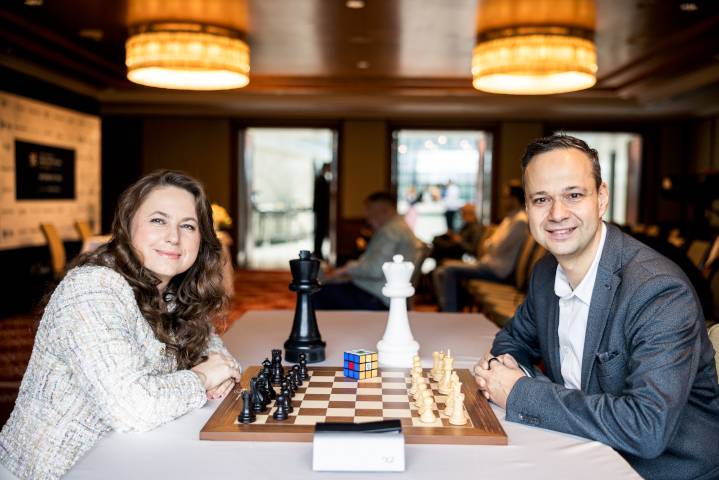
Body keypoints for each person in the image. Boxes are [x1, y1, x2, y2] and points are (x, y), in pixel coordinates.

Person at [473, 135, 719, 480]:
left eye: (574, 195)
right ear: (527, 208)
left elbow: (646, 429)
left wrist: (522, 393)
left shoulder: (659, 291)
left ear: (601, 198)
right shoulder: (546, 272)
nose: (557, 214)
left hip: (659, 470)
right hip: (584, 448)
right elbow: (511, 341)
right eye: (541, 199)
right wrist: (511, 376)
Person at [0, 171, 242, 480]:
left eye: (188, 225)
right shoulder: (91, 289)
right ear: (128, 226)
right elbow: (134, 408)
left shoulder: (173, 293)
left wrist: (213, 373)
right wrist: (202, 378)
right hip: (50, 472)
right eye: (158, 220)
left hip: (127, 460)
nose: (174, 236)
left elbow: (222, 362)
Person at [313, 191, 422, 310]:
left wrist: (346, 269)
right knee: (331, 286)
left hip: (378, 298)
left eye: (371, 214)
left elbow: (375, 270)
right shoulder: (399, 228)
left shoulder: (390, 231)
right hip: (383, 294)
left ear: (385, 211)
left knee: (317, 291)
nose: (368, 219)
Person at [433, 181, 528, 312]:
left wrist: (491, 244)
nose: (503, 200)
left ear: (515, 199)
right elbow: (489, 245)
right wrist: (491, 244)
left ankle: (450, 313)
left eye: (506, 197)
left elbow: (495, 247)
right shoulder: (509, 219)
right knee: (446, 267)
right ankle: (449, 309)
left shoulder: (520, 221)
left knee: (449, 269)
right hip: (489, 265)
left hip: (497, 271)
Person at [313, 162, 332, 260]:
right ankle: (317, 252)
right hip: (321, 211)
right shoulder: (321, 180)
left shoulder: (321, 179)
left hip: (321, 211)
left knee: (320, 232)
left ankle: (318, 252)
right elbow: (322, 198)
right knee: (319, 232)